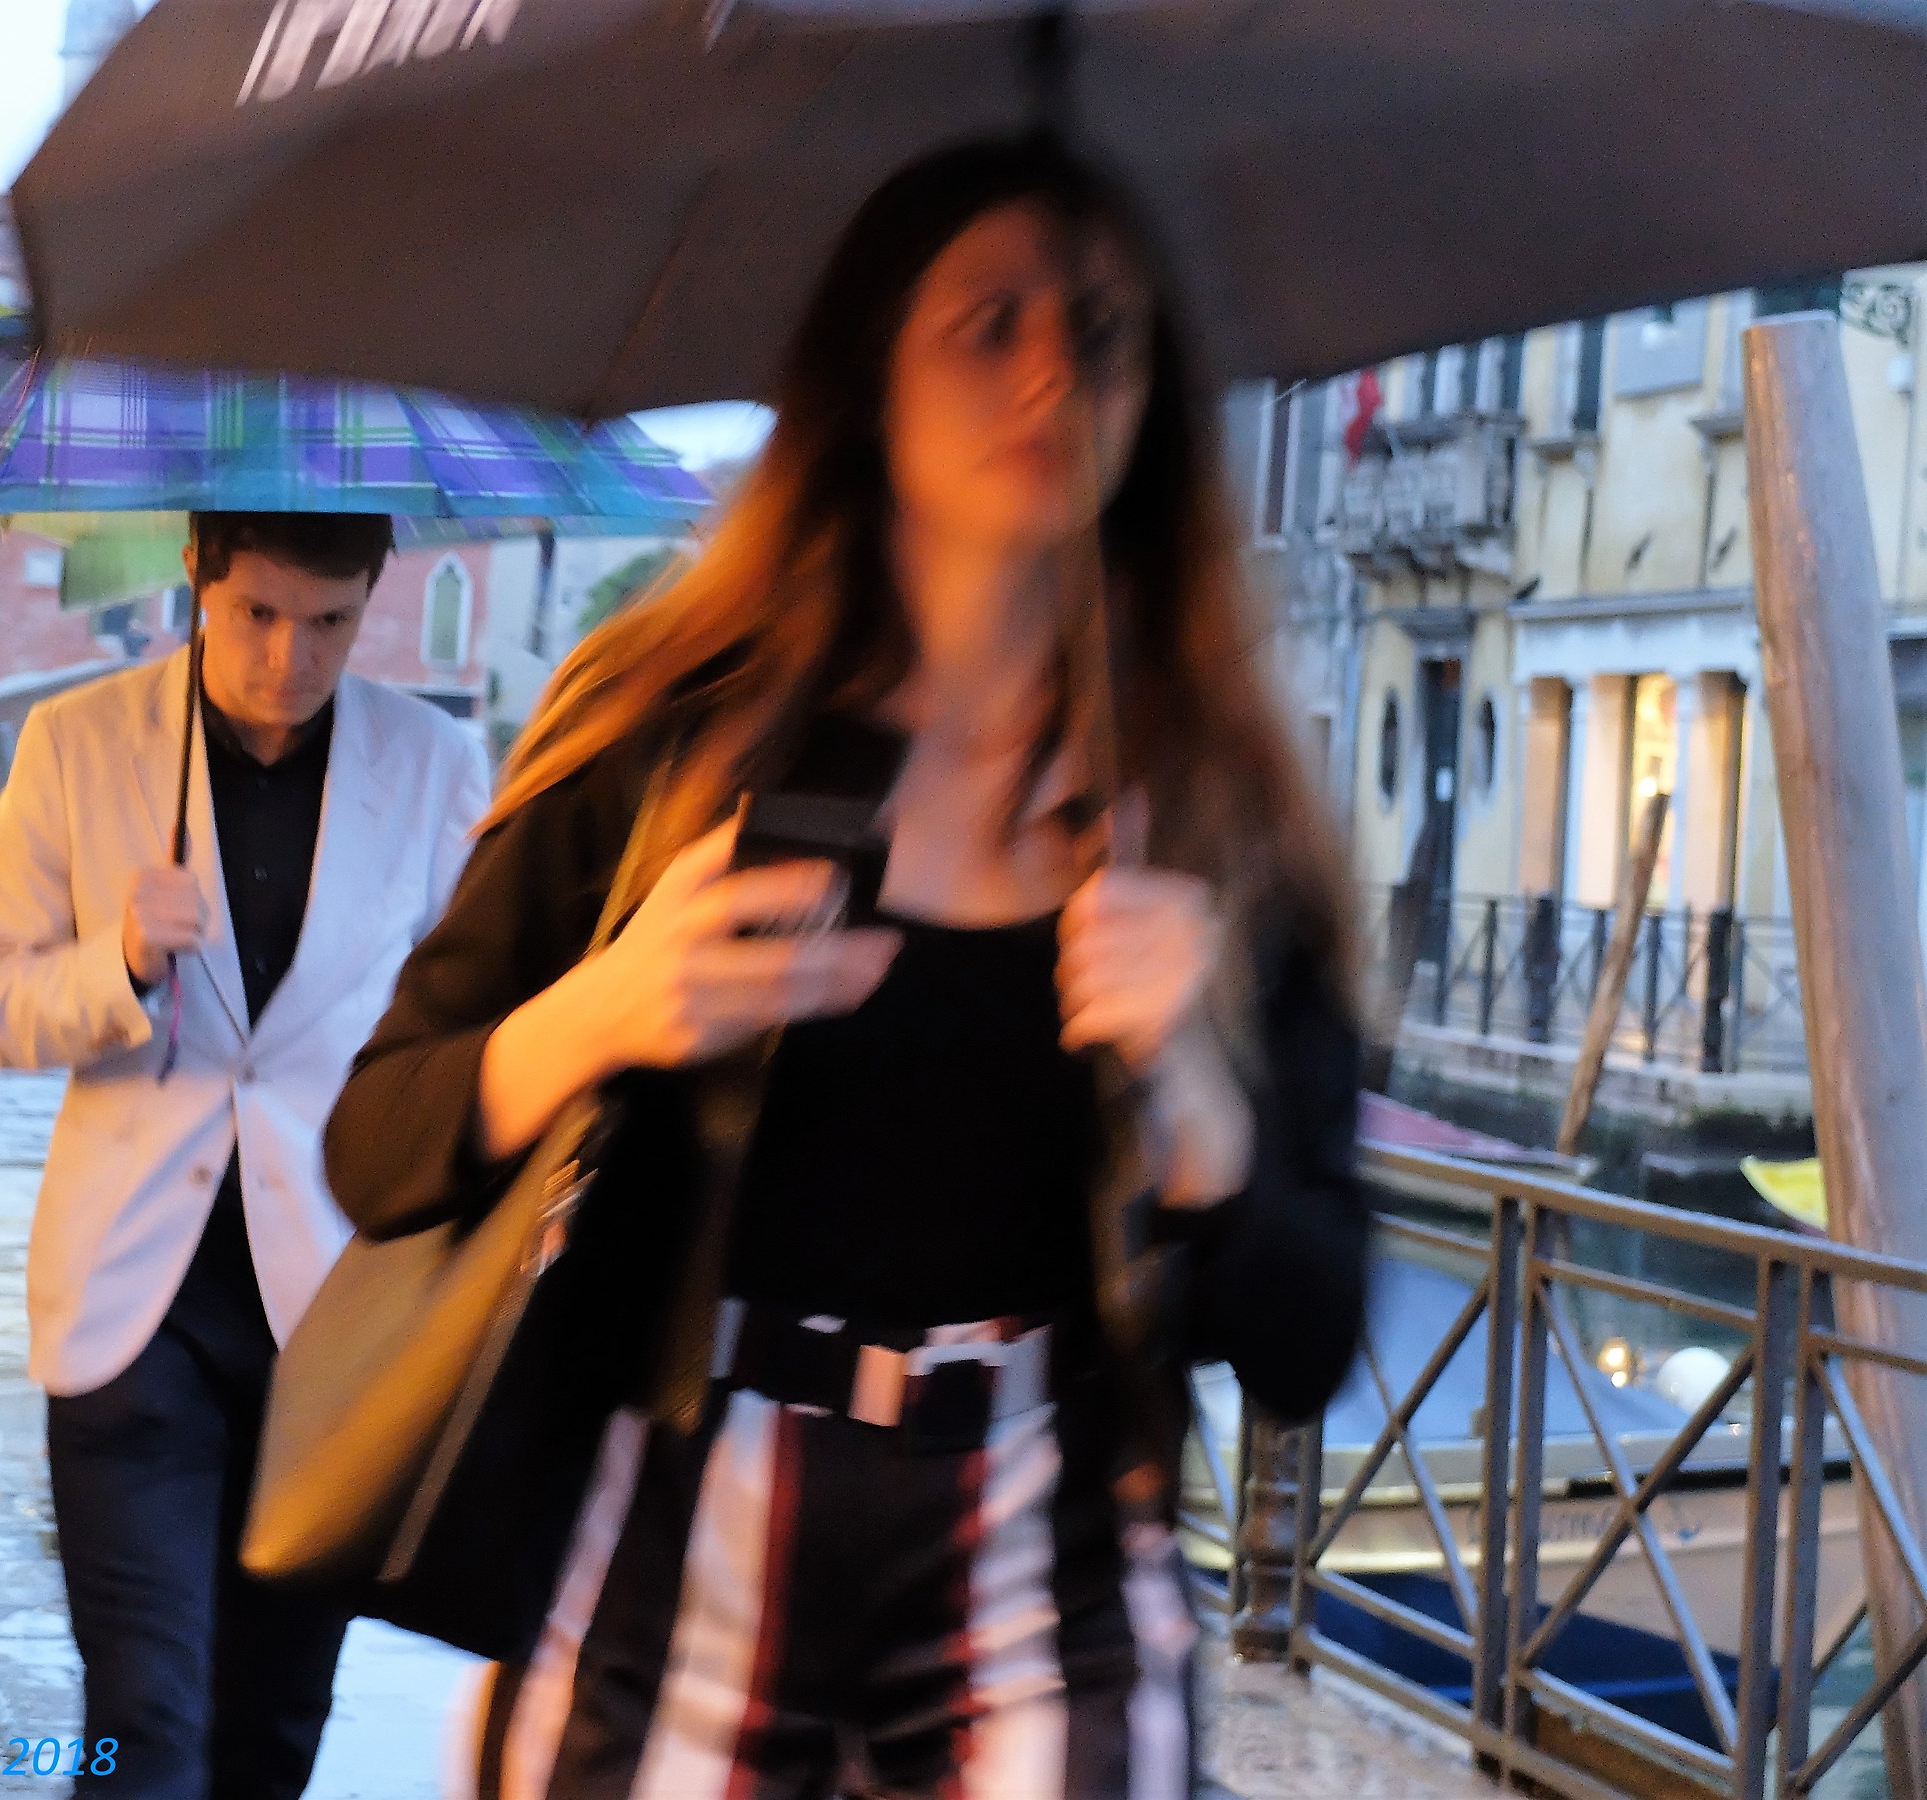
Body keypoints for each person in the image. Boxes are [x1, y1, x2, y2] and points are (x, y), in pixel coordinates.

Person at [326, 138, 1368, 1799]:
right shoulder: (669, 733)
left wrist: (1199, 1110)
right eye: (990, 322)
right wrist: (604, 1012)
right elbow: (376, 1145)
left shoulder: (1221, 811)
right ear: (868, 371)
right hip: (684, 1525)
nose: (1054, 374)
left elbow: (1310, 1341)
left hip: (1050, 1556)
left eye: (1103, 330)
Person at [0, 512, 490, 1799]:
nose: (291, 657)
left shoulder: (436, 765)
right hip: (133, 1311)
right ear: (198, 576)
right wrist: (120, 962)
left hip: (335, 1318)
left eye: (330, 622)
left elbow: (470, 1027)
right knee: (145, 1718)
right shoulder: (78, 742)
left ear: (372, 598)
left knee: (274, 1725)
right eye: (259, 613)